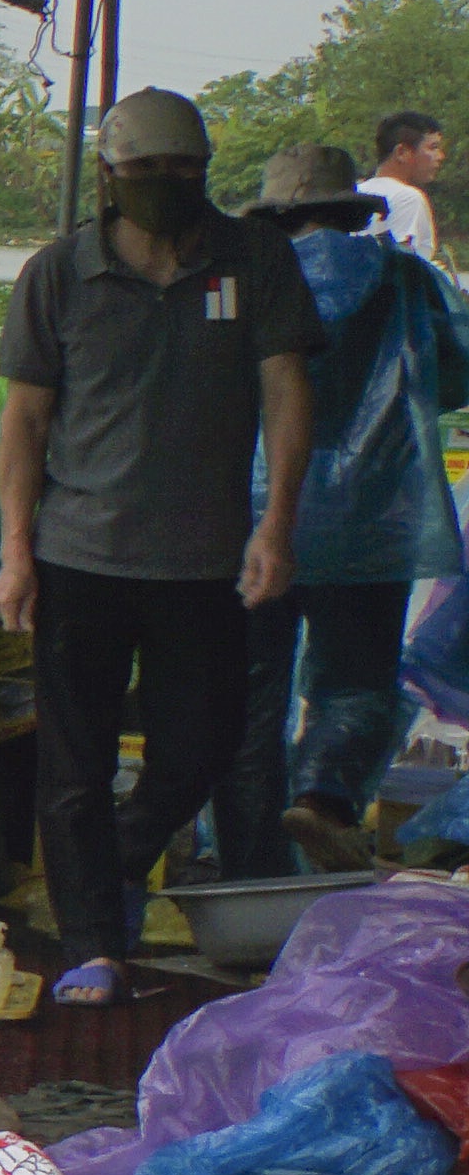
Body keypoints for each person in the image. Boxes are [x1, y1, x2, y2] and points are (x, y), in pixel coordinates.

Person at [0, 85, 320, 1001]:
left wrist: (277, 523)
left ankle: (116, 860)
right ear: (111, 174)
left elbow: (288, 393)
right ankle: (93, 946)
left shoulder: (252, 260)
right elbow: (23, 423)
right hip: (77, 556)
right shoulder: (60, 274)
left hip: (208, 559)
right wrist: (17, 554)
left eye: (184, 168)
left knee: (205, 746)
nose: (167, 183)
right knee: (73, 764)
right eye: (147, 170)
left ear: (206, 170)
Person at [234, 142, 469, 871]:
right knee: (355, 680)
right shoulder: (407, 279)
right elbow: (458, 377)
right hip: (374, 522)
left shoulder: (242, 281)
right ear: (351, 210)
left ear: (277, 217)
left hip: (256, 515)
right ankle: (325, 799)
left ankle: (246, 853)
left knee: (253, 687)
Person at [374, 109, 446, 260]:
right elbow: (400, 268)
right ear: (402, 152)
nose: (440, 156)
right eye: (433, 147)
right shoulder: (407, 198)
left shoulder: (355, 191)